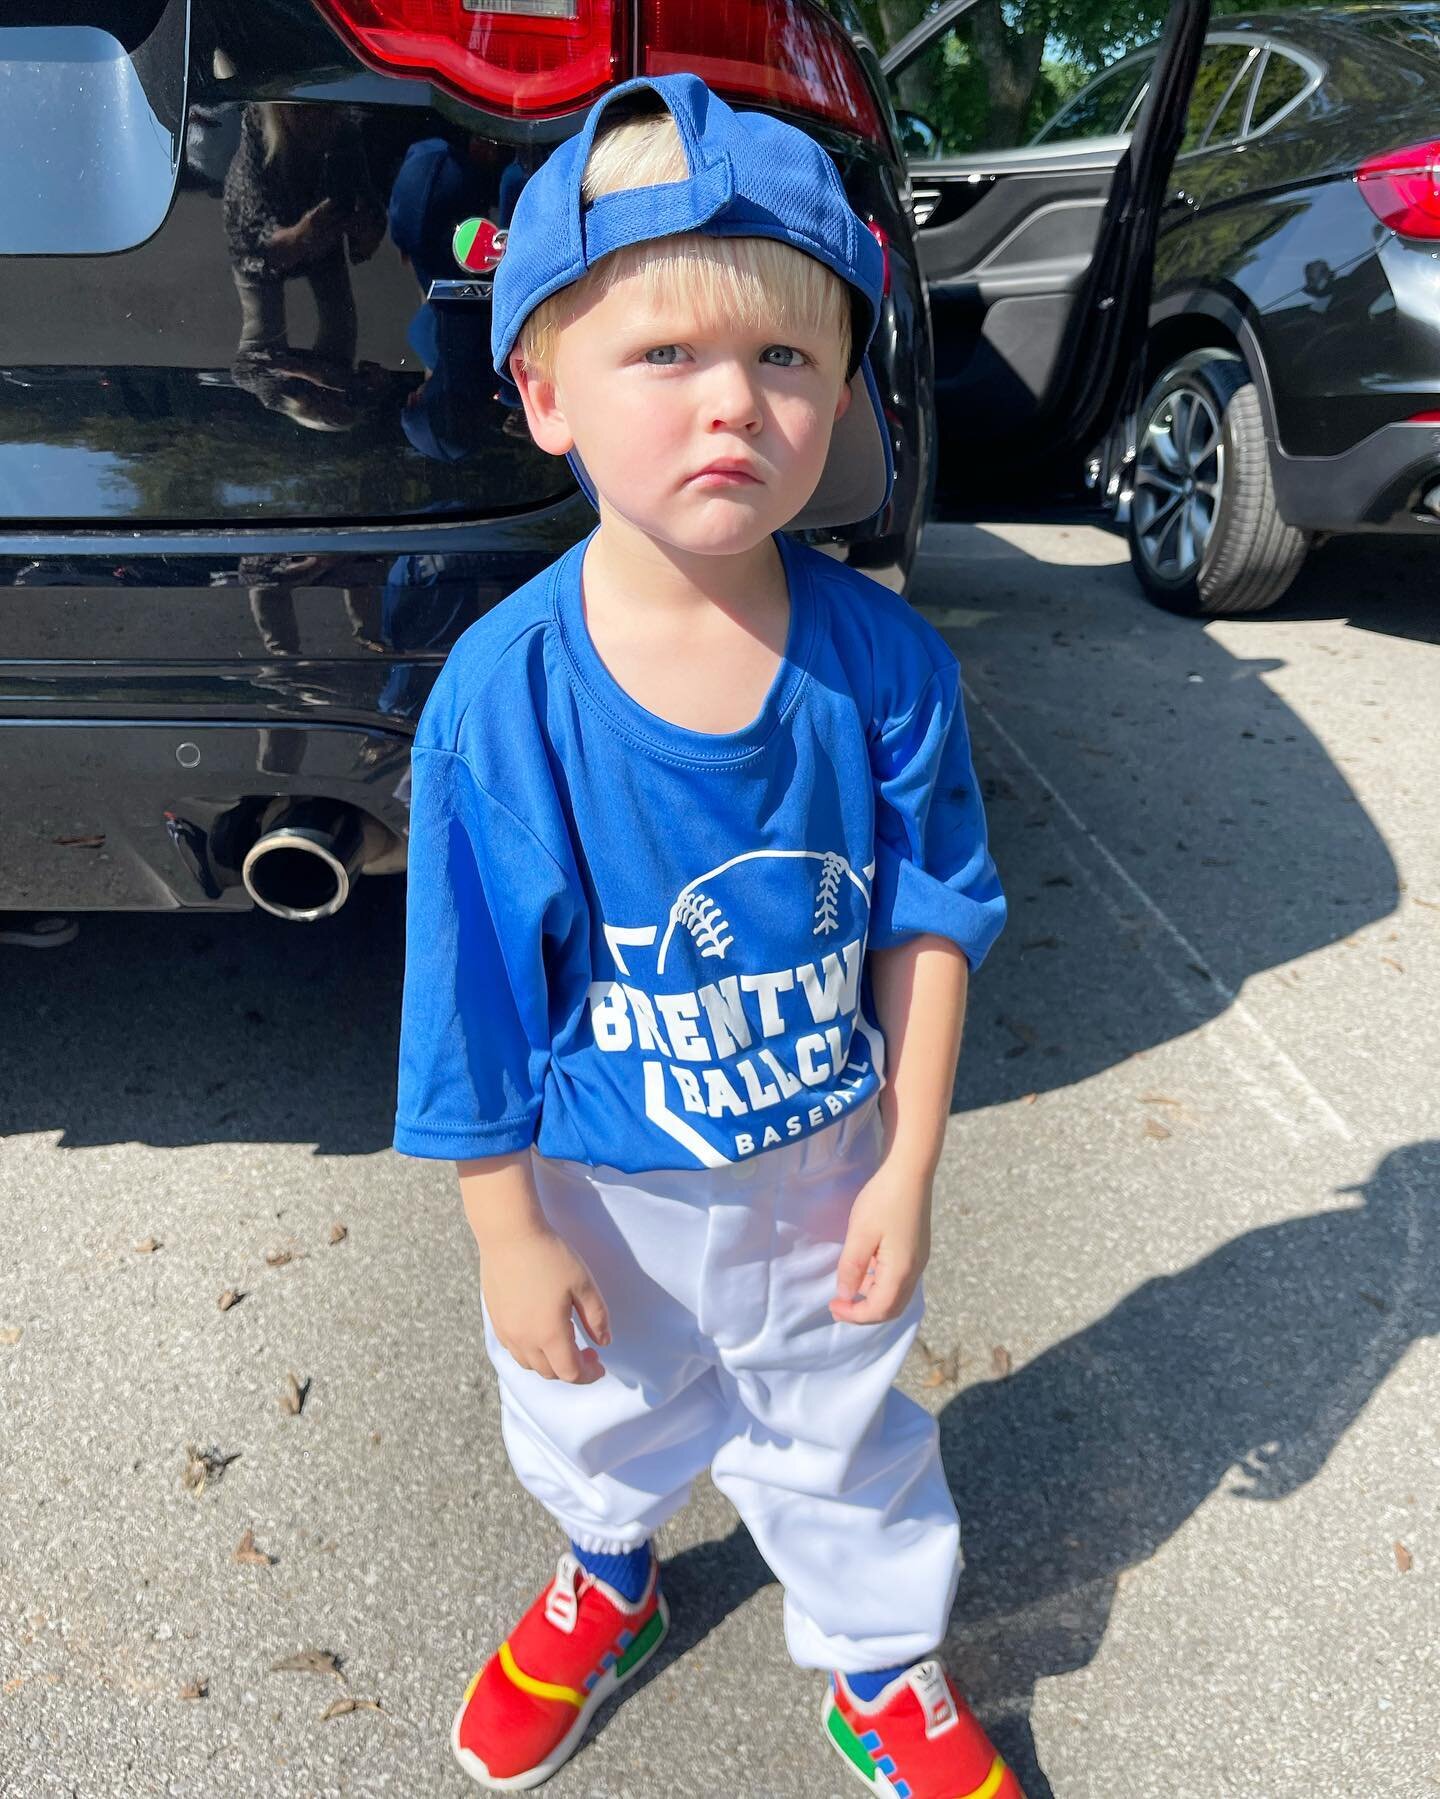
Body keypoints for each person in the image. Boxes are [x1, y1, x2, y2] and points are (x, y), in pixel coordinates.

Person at [392, 74, 1015, 1798]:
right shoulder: (504, 702)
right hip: (609, 1175)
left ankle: (882, 1667)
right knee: (597, 1412)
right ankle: (609, 1577)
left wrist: (907, 1168)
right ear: (544, 391)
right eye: (663, 356)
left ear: (842, 393)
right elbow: (472, 1008)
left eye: (788, 359)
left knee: (848, 1434)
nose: (732, 402)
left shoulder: (886, 670)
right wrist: (510, 1227)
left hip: (823, 1154)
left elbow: (934, 913)